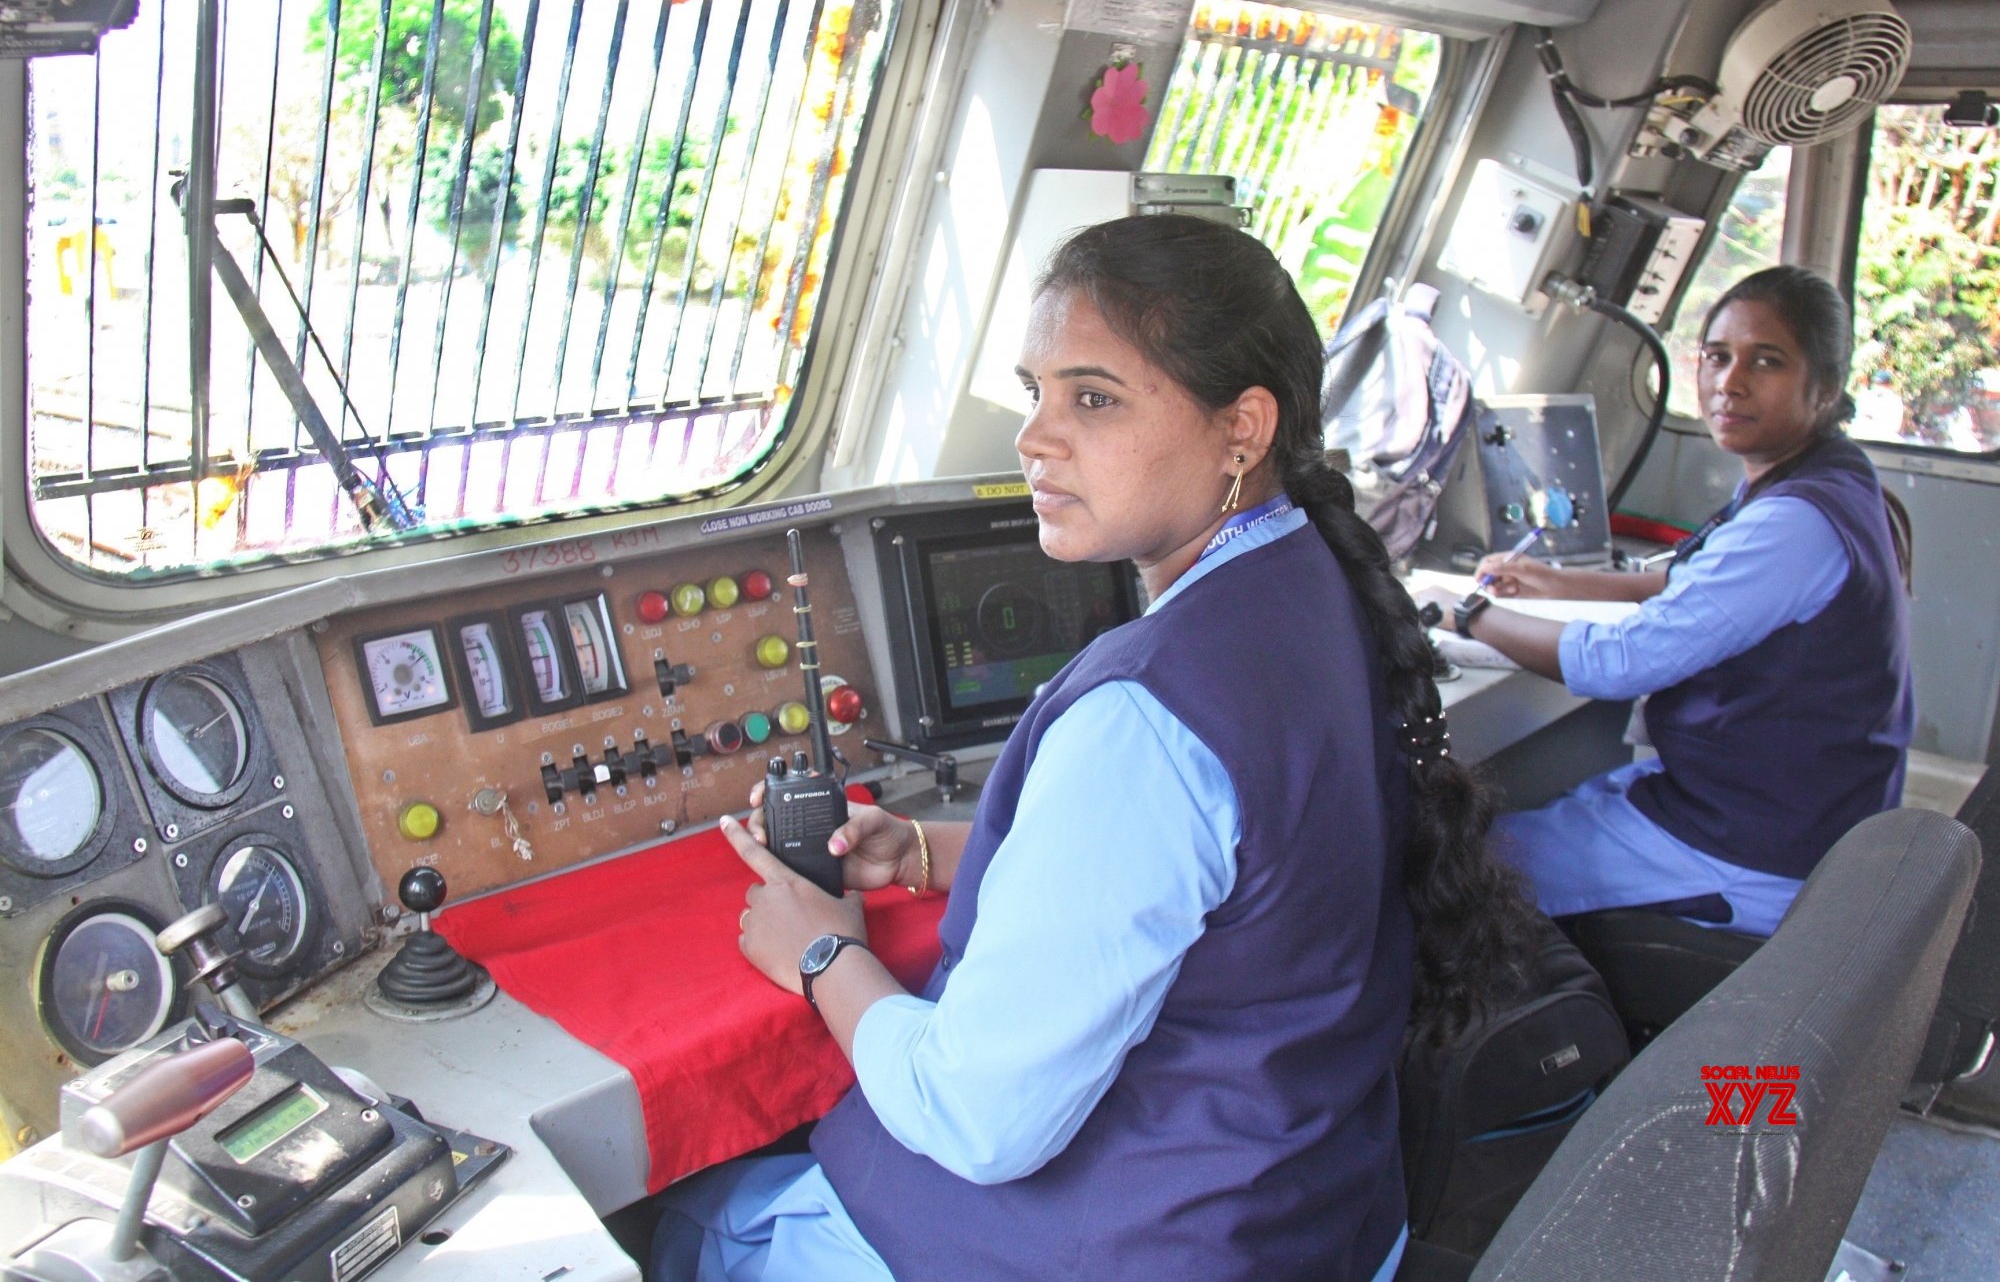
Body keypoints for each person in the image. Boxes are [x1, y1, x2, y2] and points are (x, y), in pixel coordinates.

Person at [651, 213, 1539, 1281]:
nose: (1034, 437)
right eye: (1034, 394)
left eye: (1093, 398)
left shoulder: (1143, 714)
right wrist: (930, 848)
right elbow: (1229, 857)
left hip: (1121, 1248)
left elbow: (978, 1117)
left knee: (690, 1223)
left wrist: (820, 951)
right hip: (1320, 1224)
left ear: (1240, 429)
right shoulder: (1322, 590)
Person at [1432, 265, 1913, 938]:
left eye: (1766, 361)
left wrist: (1465, 614)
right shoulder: (1832, 477)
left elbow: (1618, 663)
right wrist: (1555, 580)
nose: (1729, 382)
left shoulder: (1795, 523)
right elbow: (1698, 579)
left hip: (1751, 853)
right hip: (1778, 813)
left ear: (1826, 387)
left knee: (1452, 870)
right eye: (1716, 356)